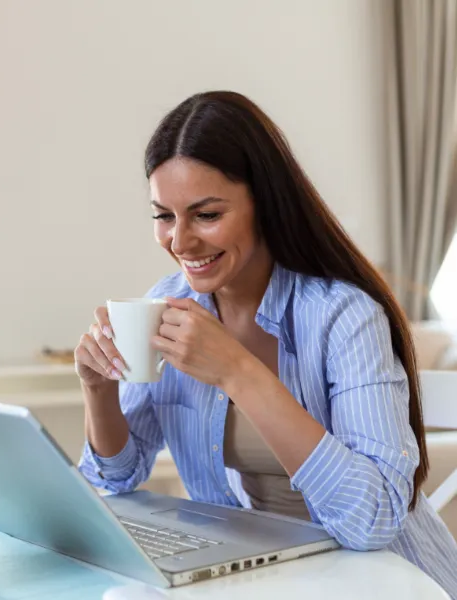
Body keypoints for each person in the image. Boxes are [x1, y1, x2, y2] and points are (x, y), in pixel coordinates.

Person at [76, 91, 457, 596]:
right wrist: (99, 393)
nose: (180, 242)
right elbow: (116, 479)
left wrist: (238, 371)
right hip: (261, 581)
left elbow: (373, 521)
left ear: (266, 203)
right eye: (163, 216)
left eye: (206, 215)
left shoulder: (344, 316)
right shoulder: (165, 307)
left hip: (386, 582)